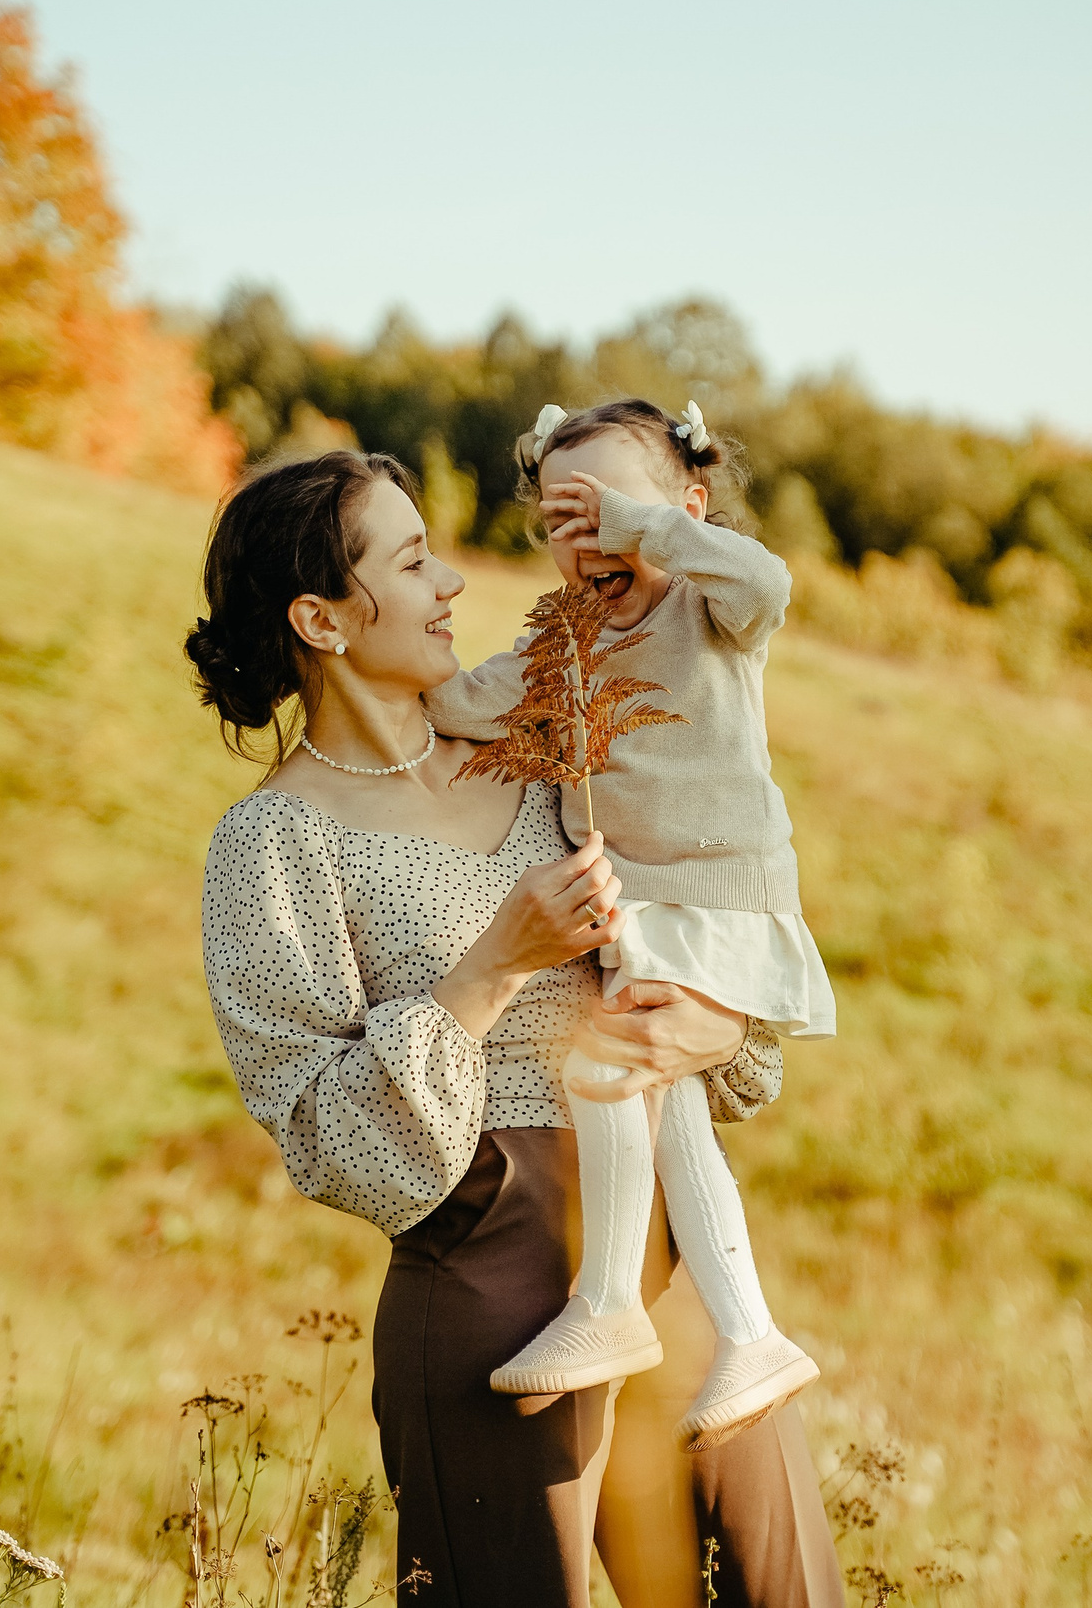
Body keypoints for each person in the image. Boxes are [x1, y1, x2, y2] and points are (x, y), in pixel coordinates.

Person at [189, 449, 843, 1607]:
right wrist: (494, 964)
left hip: (673, 1276)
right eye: (408, 560)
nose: (450, 581)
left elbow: (703, 923)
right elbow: (322, 1135)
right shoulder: (271, 844)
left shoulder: (543, 749)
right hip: (485, 1293)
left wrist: (713, 1033)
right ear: (321, 619)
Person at [423, 400, 830, 1452]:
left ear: (686, 512)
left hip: (718, 903)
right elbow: (464, 705)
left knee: (600, 1064)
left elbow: (770, 581)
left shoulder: (708, 607)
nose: (589, 537)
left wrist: (649, 533)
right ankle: (750, 1334)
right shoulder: (567, 641)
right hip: (644, 917)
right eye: (563, 517)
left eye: (610, 508)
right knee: (669, 1108)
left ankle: (608, 1301)